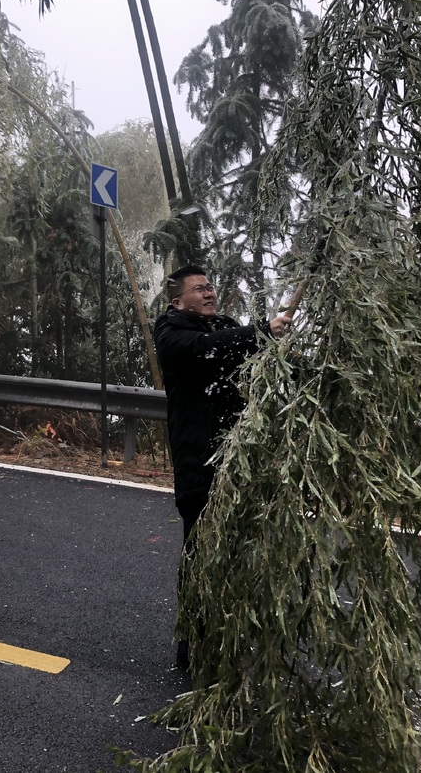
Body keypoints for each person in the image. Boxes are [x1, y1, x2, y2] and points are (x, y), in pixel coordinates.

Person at [153, 265, 292, 670]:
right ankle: (193, 648)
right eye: (199, 289)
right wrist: (262, 330)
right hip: (199, 464)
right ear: (178, 301)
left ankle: (224, 638)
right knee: (200, 555)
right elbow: (206, 349)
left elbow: (254, 358)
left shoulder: (226, 328)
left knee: (234, 555)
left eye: (210, 286)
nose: (209, 292)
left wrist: (280, 349)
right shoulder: (172, 335)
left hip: (238, 462)